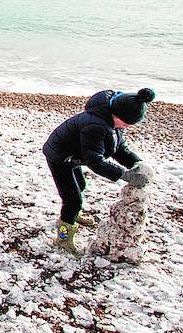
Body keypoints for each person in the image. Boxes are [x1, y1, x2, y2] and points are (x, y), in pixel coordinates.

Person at [42, 88, 155, 257]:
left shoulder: (110, 119)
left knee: (80, 185)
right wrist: (125, 175)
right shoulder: (95, 125)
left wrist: (137, 163)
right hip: (60, 157)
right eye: (126, 123)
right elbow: (95, 162)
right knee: (72, 199)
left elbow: (118, 149)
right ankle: (63, 237)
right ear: (117, 115)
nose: (126, 127)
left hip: (75, 155)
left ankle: (72, 214)